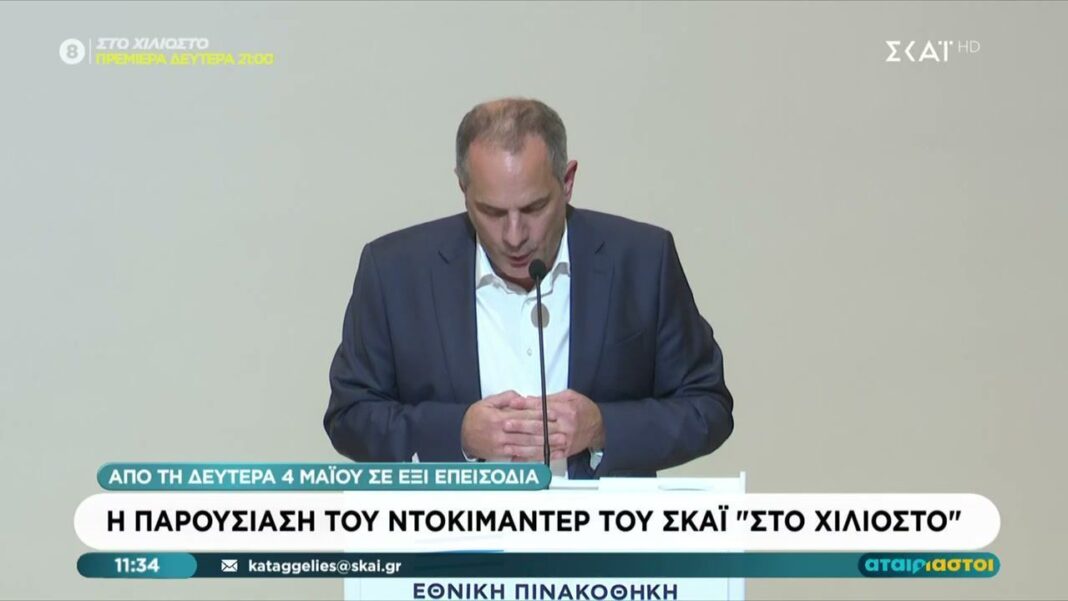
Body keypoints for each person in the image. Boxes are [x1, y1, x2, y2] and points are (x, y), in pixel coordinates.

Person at [324, 98, 733, 478]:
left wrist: (602, 428)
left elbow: (707, 406)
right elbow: (350, 416)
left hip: (599, 531)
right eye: (492, 212)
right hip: (451, 530)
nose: (514, 236)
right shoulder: (395, 271)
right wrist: (458, 434)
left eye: (534, 208)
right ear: (463, 189)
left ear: (567, 181)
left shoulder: (642, 260)